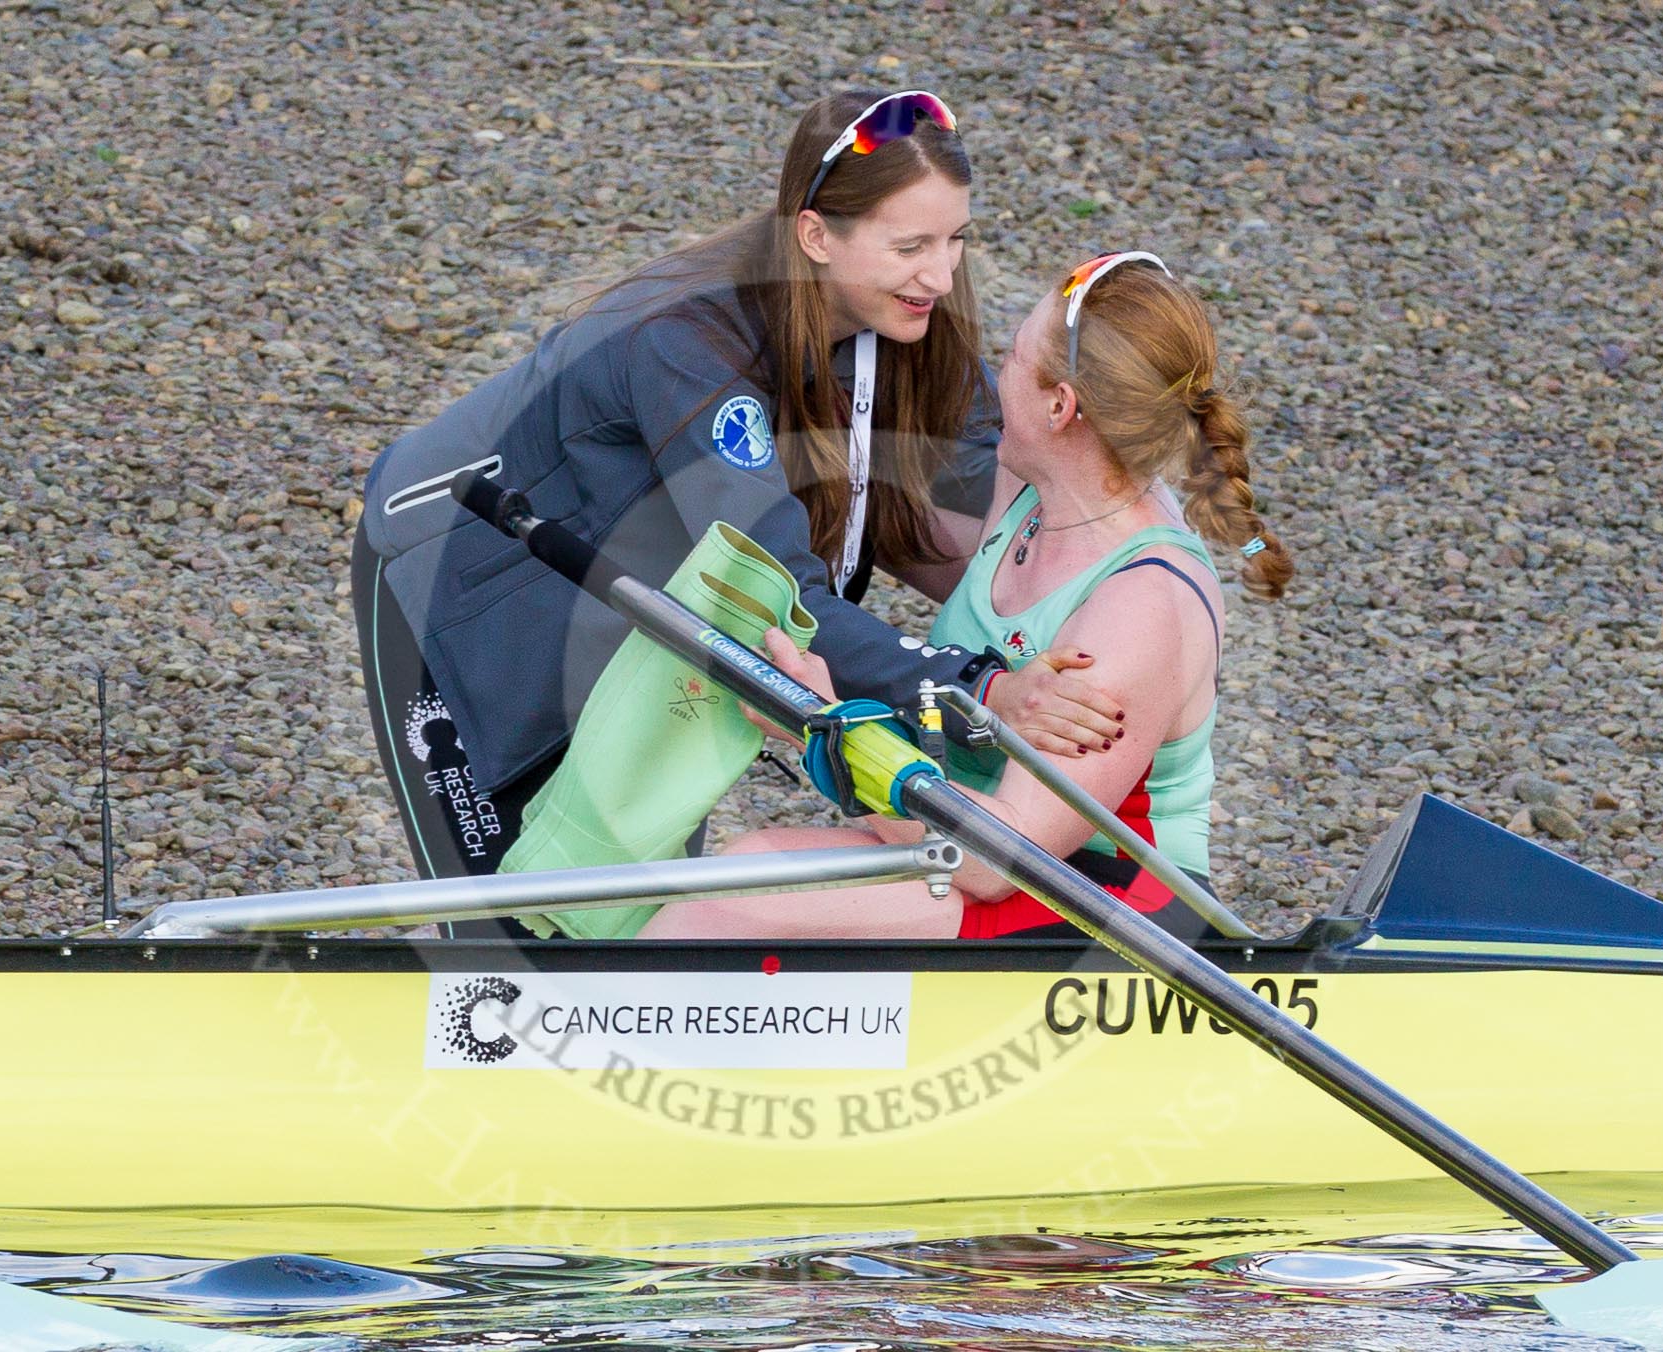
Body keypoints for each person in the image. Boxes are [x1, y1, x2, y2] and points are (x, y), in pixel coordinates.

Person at [354, 90, 1124, 909]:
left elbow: (1020, 477)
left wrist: (1143, 563)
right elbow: (773, 594)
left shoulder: (898, 318)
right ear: (816, 234)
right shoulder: (685, 340)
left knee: (628, 899)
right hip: (458, 579)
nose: (940, 274)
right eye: (910, 246)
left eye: (956, 239)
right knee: (518, 917)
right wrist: (981, 687)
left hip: (624, 594)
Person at [638, 251, 1295, 941]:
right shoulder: (1044, 486)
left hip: (1103, 908)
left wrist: (822, 727)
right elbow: (938, 549)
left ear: (1060, 405)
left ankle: (588, 1038)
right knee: (747, 873)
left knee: (737, 902)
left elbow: (993, 862)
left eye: (1012, 356)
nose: (994, 375)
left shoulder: (1139, 610)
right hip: (993, 843)